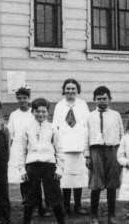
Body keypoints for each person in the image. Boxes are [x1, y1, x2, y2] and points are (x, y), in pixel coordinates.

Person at [20, 97, 67, 224]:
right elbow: (22, 151)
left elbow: (59, 150)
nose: (41, 114)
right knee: (29, 198)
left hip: (49, 166)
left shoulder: (52, 128)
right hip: (32, 166)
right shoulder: (27, 128)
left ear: (48, 113)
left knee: (55, 196)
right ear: (33, 112)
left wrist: (60, 168)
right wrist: (22, 170)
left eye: (44, 111)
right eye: (38, 111)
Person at [85, 85, 124, 224]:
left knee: (112, 184)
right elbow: (86, 136)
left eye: (105, 98)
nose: (102, 101)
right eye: (99, 99)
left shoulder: (116, 115)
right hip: (95, 151)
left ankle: (111, 215)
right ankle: (94, 216)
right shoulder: (89, 116)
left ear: (110, 99)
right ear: (94, 100)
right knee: (96, 184)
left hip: (112, 150)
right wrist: (87, 155)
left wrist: (121, 154)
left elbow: (121, 134)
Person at [53, 77, 91, 214]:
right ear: (64, 90)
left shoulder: (82, 105)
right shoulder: (59, 106)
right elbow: (55, 128)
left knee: (78, 177)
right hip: (64, 147)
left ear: (77, 90)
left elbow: (87, 126)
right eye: (68, 88)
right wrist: (56, 147)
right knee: (66, 178)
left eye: (73, 89)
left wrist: (86, 146)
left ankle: (78, 205)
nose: (70, 91)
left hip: (79, 146)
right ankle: (66, 205)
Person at [8, 86, 39, 215]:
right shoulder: (14, 115)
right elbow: (10, 134)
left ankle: (39, 205)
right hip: (18, 148)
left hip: (33, 148)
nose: (22, 100)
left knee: (35, 177)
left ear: (28, 98)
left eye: (24, 98)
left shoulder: (34, 113)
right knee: (23, 177)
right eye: (19, 98)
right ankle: (26, 202)